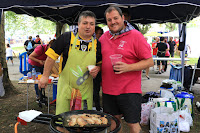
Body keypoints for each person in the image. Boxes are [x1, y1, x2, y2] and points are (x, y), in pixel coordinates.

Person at [99, 6, 153, 133]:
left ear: (123, 18)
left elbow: (150, 61)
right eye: (109, 20)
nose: (113, 22)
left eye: (116, 18)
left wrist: (129, 67)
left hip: (129, 90)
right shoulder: (103, 38)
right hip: (108, 91)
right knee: (113, 124)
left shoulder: (135, 35)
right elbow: (100, 60)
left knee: (133, 125)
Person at [39, 11, 101, 116]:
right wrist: (45, 76)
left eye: (91, 24)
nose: (88, 27)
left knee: (83, 121)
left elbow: (100, 63)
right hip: (66, 89)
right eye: (85, 23)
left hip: (85, 91)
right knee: (63, 121)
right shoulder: (67, 37)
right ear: (78, 24)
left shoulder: (97, 44)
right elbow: (51, 57)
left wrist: (98, 68)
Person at [93, 26, 103, 111]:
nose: (98, 35)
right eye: (97, 33)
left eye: (100, 34)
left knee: (96, 89)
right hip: (88, 70)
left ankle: (97, 107)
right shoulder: (91, 42)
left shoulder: (101, 43)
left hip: (98, 70)